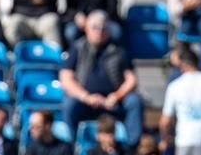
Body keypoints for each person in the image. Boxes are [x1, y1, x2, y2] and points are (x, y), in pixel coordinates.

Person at [59, 12, 144, 145]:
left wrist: (117, 96)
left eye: (103, 28)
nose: (99, 32)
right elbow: (66, 78)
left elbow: (131, 80)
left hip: (113, 102)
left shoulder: (119, 50)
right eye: (95, 28)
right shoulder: (77, 48)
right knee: (69, 104)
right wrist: (86, 97)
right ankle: (70, 148)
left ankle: (131, 149)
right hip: (85, 102)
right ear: (86, 28)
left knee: (135, 101)